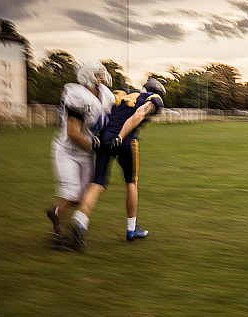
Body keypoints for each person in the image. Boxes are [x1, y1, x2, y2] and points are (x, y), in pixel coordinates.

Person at [69, 77, 165, 247]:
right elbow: (139, 114)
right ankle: (131, 229)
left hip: (104, 138)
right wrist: (120, 137)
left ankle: (80, 220)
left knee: (97, 183)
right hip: (125, 139)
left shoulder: (118, 93)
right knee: (131, 182)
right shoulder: (152, 98)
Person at [46, 60, 114, 251]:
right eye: (97, 74)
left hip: (86, 152)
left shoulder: (107, 95)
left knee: (84, 196)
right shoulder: (76, 94)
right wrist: (97, 144)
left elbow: (108, 122)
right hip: (68, 151)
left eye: (101, 73)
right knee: (72, 194)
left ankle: (59, 214)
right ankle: (58, 234)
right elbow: (73, 133)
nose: (101, 77)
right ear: (87, 76)